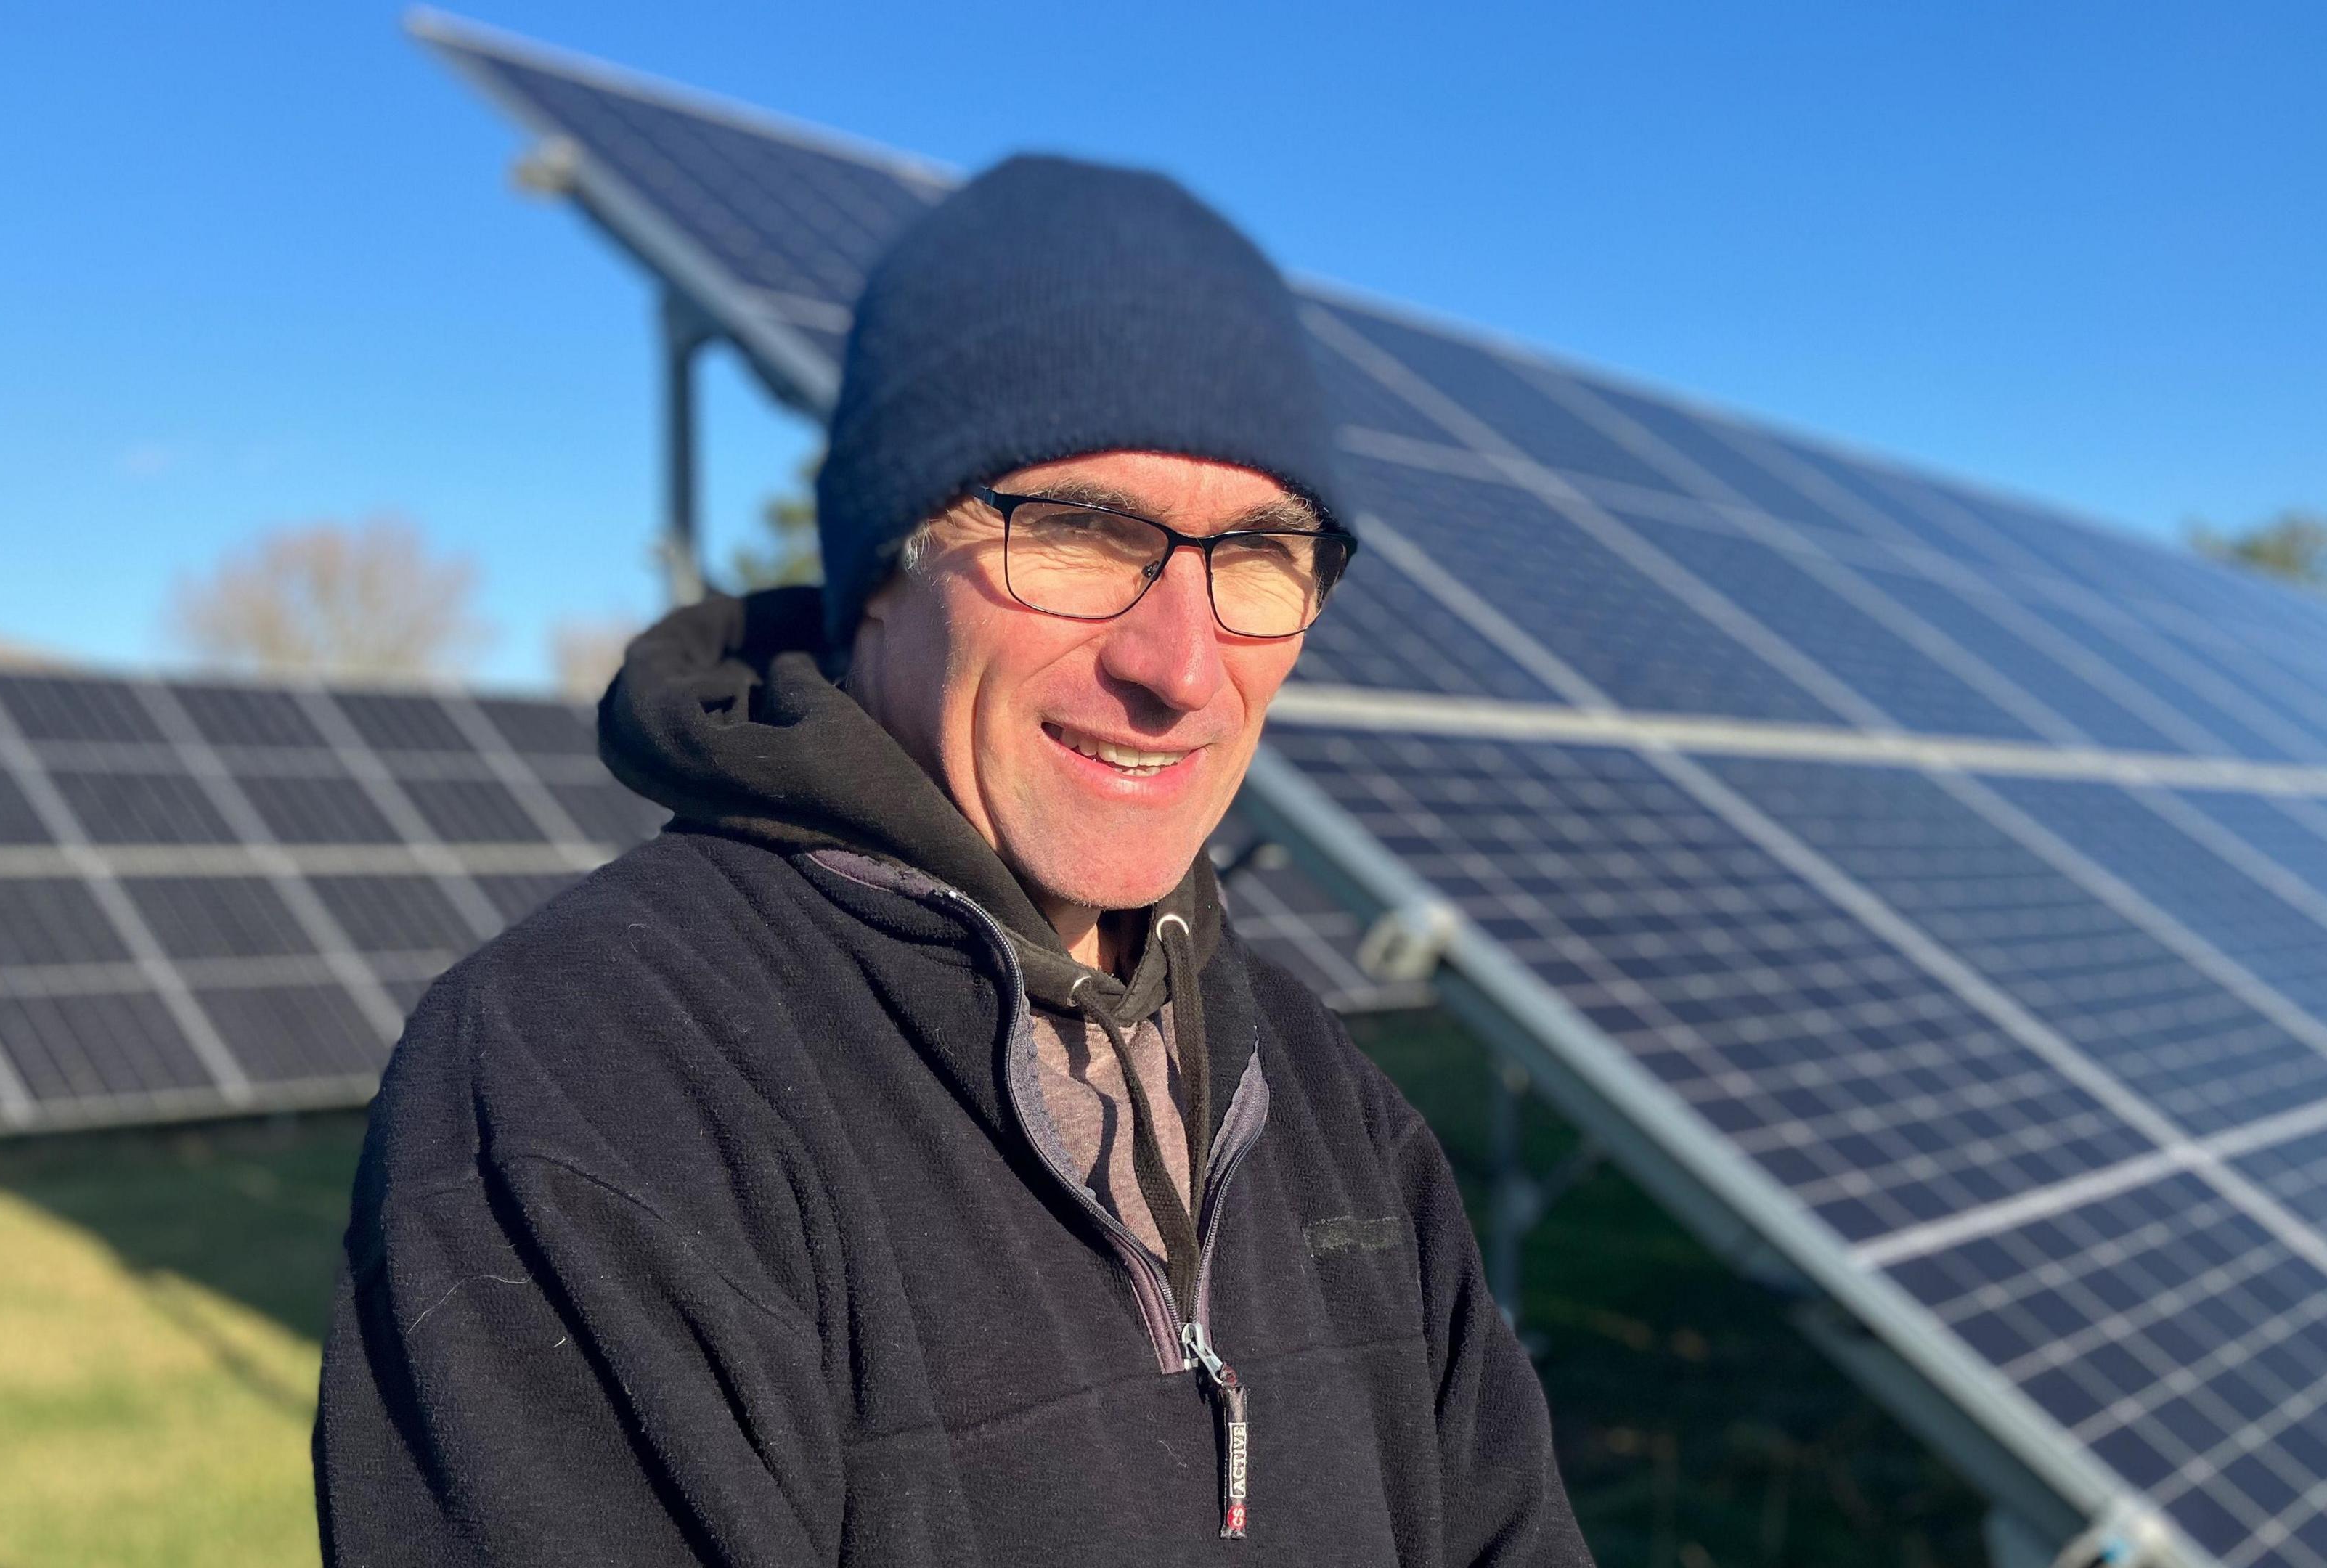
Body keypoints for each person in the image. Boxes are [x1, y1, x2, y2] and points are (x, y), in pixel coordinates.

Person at [314, 152, 1590, 1567]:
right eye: (1080, 533)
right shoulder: (592, 1077)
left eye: (1263, 554)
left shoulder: (1316, 1087)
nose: (1182, 666)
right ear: (877, 567)